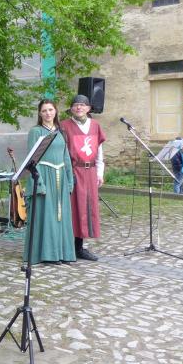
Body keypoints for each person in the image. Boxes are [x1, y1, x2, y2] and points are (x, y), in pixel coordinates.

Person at [23, 100, 76, 265]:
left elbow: (66, 157)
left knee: (61, 217)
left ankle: (62, 253)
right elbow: (33, 160)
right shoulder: (36, 132)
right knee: (47, 216)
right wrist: (39, 183)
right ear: (40, 113)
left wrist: (70, 180)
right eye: (44, 110)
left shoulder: (61, 131)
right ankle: (47, 254)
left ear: (55, 111)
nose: (48, 113)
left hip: (61, 176)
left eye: (50, 110)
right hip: (44, 176)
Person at [61, 94, 106, 261]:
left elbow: (99, 151)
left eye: (82, 105)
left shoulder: (95, 125)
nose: (79, 107)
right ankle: (69, 247)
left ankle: (79, 247)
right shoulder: (64, 126)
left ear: (88, 108)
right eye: (75, 105)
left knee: (87, 208)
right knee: (73, 208)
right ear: (71, 109)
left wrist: (100, 173)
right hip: (73, 171)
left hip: (90, 171)